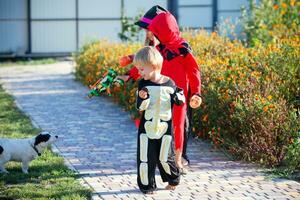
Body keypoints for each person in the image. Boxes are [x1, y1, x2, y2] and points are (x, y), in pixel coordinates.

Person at [119, 5, 202, 172]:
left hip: (178, 95)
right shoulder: (158, 49)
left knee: (178, 126)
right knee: (158, 124)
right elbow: (145, 64)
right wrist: (129, 75)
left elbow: (194, 71)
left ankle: (178, 160)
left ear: (165, 30)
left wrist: (196, 92)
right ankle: (158, 156)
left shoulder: (183, 49)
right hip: (160, 93)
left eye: (156, 31)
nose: (153, 35)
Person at [134, 46, 182, 194]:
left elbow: (179, 98)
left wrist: (179, 97)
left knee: (165, 157)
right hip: (147, 128)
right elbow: (140, 107)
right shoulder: (143, 84)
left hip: (165, 128)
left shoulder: (170, 83)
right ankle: (147, 186)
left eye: (142, 69)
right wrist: (143, 98)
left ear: (153, 66)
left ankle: (173, 179)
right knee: (145, 158)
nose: (139, 72)